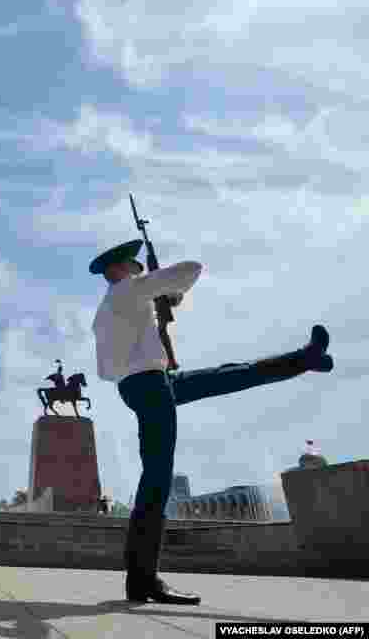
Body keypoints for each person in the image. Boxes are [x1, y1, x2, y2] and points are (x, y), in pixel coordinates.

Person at [90, 239, 333, 605]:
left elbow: (132, 344)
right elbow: (191, 269)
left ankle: (304, 359)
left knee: (230, 374)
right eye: (135, 267)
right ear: (119, 270)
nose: (139, 271)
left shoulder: (111, 308)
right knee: (157, 478)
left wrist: (164, 301)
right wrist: (164, 286)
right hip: (151, 386)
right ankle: (143, 579)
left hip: (147, 384)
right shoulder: (128, 292)